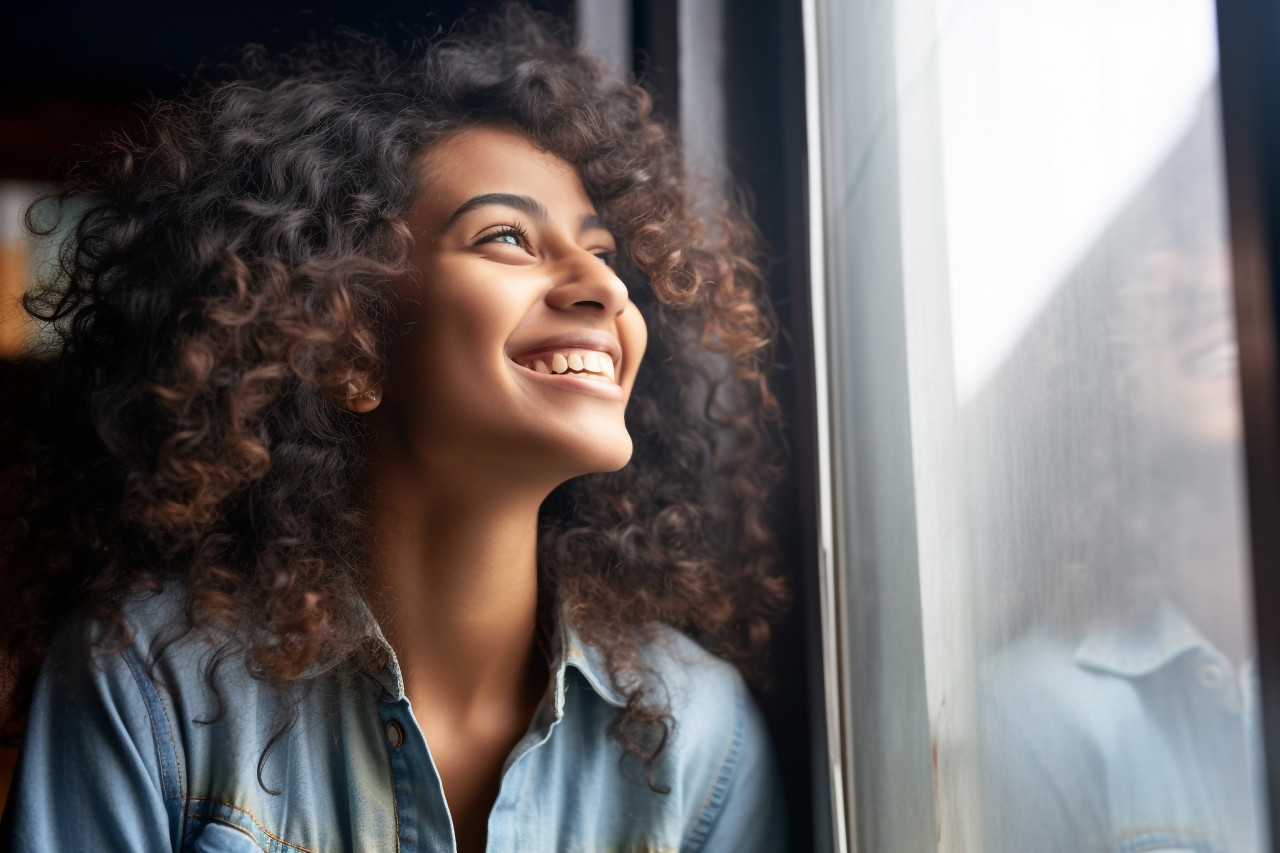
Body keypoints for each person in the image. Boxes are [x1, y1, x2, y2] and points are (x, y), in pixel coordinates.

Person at [0, 6, 789, 851]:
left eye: (602, 252)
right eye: (507, 237)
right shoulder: (150, 686)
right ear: (350, 345)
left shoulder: (698, 736)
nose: (606, 287)